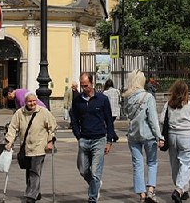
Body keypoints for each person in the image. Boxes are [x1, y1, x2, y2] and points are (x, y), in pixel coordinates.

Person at [70, 72, 117, 203]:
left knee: (96, 172)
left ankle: (92, 198)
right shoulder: (77, 100)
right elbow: (73, 119)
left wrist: (109, 141)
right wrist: (78, 136)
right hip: (84, 139)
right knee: (83, 170)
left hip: (99, 139)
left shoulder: (102, 99)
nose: (84, 88)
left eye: (86, 85)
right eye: (82, 85)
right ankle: (95, 185)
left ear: (92, 83)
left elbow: (109, 120)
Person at [5, 92, 57, 203]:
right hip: (26, 148)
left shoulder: (43, 112)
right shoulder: (20, 113)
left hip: (39, 147)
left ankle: (31, 196)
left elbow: (52, 127)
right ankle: (36, 192)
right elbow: (13, 127)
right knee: (29, 171)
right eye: (30, 101)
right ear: (25, 102)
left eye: (34, 101)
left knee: (35, 171)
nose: (32, 103)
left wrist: (50, 141)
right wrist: (9, 140)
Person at [123, 69, 164, 203]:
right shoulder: (148, 97)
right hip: (148, 135)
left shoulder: (127, 97)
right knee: (152, 162)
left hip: (133, 135)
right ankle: (150, 191)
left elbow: (127, 115)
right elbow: (153, 120)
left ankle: (141, 194)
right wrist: (159, 136)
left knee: (137, 164)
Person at [161, 79, 190, 202]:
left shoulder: (168, 104)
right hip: (186, 136)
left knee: (175, 164)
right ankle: (179, 189)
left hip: (172, 136)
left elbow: (161, 120)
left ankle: (183, 190)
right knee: (187, 163)